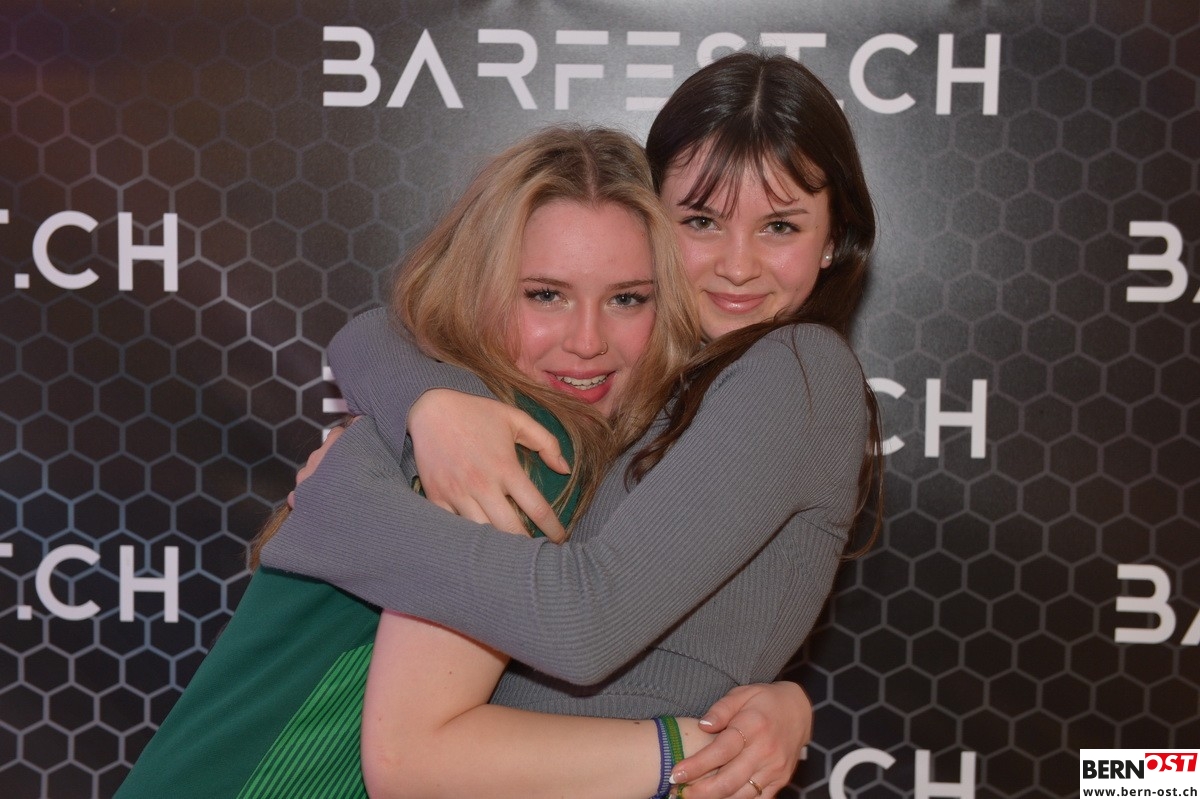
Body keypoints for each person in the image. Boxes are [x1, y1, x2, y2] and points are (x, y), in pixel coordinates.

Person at [264, 51, 882, 799]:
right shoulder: (646, 377)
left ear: (833, 237)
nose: (737, 264)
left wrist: (347, 509)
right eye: (702, 221)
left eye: (780, 226)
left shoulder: (798, 367)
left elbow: (584, 625)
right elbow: (375, 332)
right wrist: (432, 405)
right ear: (655, 224)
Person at [115, 126, 793, 799]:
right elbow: (412, 762)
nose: (587, 340)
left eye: (626, 298)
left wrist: (784, 701)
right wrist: (693, 751)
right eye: (545, 295)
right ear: (481, 290)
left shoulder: (457, 408)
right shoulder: (521, 453)